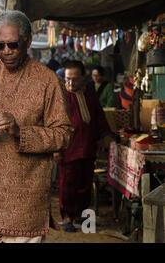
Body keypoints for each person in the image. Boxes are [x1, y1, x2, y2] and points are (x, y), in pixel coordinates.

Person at [0, 10, 74, 243]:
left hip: (28, 202)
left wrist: (19, 132)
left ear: (28, 41)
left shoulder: (48, 81)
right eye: (0, 45)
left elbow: (63, 134)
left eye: (12, 44)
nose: (6, 52)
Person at [55, 61, 111, 232]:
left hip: (88, 145)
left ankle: (81, 215)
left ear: (83, 78)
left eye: (75, 79)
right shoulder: (60, 94)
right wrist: (56, 149)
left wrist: (103, 137)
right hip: (68, 148)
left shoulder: (90, 92)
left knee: (85, 183)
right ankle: (67, 217)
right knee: (68, 184)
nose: (71, 83)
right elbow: (53, 123)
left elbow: (98, 115)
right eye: (67, 79)